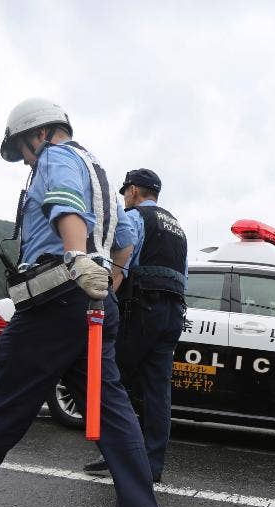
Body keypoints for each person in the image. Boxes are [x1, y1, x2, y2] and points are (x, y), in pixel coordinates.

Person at [0, 98, 163, 507]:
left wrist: (75, 256)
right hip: (97, 301)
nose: (27, 160)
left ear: (37, 134)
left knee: (7, 400)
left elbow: (64, 205)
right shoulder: (98, 171)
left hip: (55, 297)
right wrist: (106, 280)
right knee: (109, 407)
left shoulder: (56, 157)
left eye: (25, 149)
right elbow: (126, 237)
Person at [83, 168, 187, 483]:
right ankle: (152, 466)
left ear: (133, 191)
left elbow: (122, 264)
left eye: (125, 191)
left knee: (117, 382)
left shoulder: (135, 217)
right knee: (158, 391)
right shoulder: (178, 227)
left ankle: (117, 454)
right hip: (173, 312)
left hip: (142, 308)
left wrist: (100, 299)